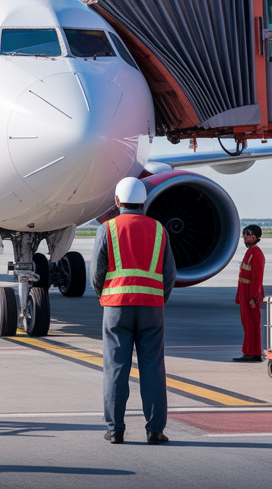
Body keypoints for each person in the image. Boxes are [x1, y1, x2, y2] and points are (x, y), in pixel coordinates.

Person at [92, 177, 175, 445]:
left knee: (116, 369)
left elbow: (96, 273)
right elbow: (170, 275)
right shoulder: (160, 230)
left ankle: (115, 430)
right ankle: (155, 431)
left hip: (117, 307)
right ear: (144, 201)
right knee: (153, 369)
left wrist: (104, 297)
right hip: (152, 307)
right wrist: (158, 299)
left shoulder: (108, 229)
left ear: (117, 201)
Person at [233, 225, 266, 362]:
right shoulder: (250, 252)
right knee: (247, 324)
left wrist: (253, 297)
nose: (245, 236)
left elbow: (257, 277)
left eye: (249, 234)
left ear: (257, 237)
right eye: (244, 234)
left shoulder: (256, 253)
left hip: (250, 295)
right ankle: (248, 352)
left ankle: (253, 353)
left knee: (252, 324)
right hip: (245, 293)